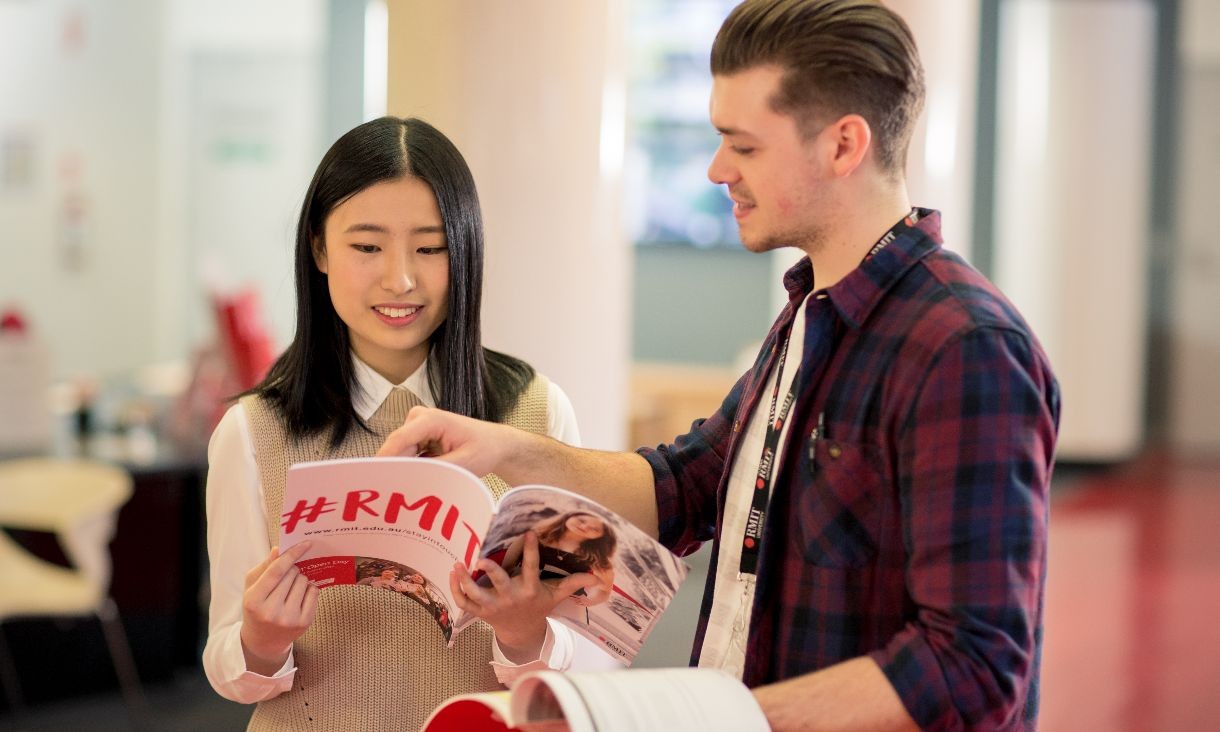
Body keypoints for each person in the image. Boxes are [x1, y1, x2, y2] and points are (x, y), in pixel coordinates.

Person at [381, 2, 1060, 730]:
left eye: (743, 145)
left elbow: (973, 666)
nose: (716, 170)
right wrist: (509, 449)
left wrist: (709, 719)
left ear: (843, 145)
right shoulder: (807, 314)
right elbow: (690, 484)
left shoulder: (964, 348)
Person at [202, 116, 610, 731]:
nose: (401, 279)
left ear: (465, 249)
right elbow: (227, 666)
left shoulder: (536, 410)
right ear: (318, 248)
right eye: (366, 247)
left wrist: (525, 637)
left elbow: (591, 664)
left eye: (431, 247)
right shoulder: (255, 430)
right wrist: (261, 639)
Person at [487, 511, 617, 607]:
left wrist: (590, 602)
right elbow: (512, 556)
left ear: (602, 536)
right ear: (570, 515)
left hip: (561, 605)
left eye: (594, 529)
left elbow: (605, 591)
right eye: (581, 520)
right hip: (519, 590)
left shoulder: (598, 559)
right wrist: (502, 578)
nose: (583, 527)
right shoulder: (538, 532)